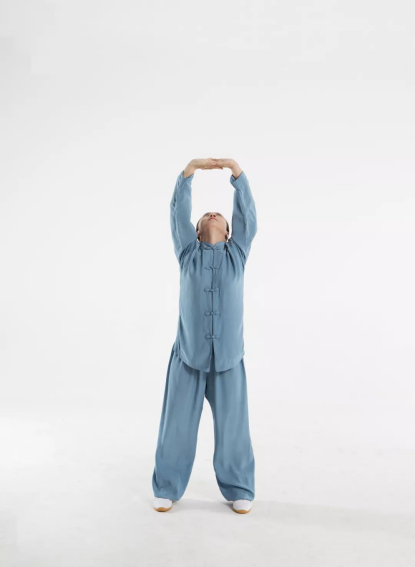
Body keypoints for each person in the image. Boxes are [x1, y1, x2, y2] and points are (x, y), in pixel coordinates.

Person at [152, 157, 258, 514]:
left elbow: (248, 217)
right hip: (188, 357)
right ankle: (167, 486)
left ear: (229, 232)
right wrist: (188, 173)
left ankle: (239, 487)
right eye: (206, 215)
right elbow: (177, 215)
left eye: (219, 215)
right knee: (177, 426)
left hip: (229, 358)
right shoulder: (188, 254)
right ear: (196, 232)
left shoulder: (237, 255)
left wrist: (236, 172)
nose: (213, 214)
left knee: (234, 427)